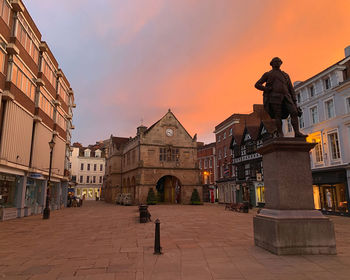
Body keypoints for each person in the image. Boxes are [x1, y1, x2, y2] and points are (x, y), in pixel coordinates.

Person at [255, 57, 306, 137]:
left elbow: (291, 88)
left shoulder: (285, 75)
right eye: (275, 61)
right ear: (271, 64)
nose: (277, 63)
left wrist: (295, 101)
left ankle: (297, 132)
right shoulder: (268, 74)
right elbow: (257, 84)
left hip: (287, 97)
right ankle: (280, 133)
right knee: (277, 115)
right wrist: (266, 89)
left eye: (279, 61)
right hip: (275, 97)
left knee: (294, 112)